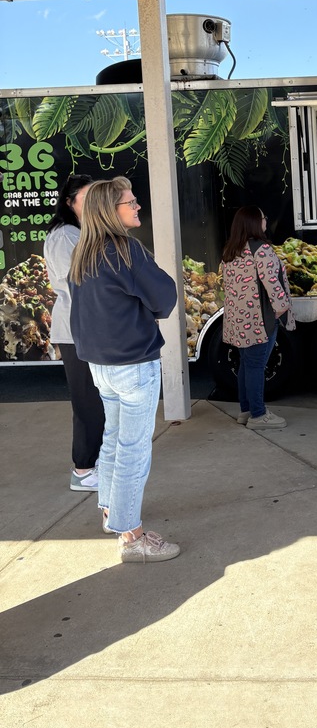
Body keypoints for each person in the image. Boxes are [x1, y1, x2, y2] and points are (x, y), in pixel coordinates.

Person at [69, 177, 180, 563]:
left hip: (101, 365)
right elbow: (165, 297)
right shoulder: (124, 250)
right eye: (130, 203)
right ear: (109, 211)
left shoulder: (85, 251)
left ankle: (112, 514)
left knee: (114, 441)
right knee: (133, 450)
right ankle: (131, 537)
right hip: (132, 364)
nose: (137, 206)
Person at [44, 175, 106, 491]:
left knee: (99, 400)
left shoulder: (80, 232)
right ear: (69, 202)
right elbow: (82, 282)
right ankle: (83, 469)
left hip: (88, 327)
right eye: (86, 196)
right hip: (75, 329)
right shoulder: (65, 236)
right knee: (88, 403)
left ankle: (95, 463)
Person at [221, 206, 295, 430]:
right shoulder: (261, 250)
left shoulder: (231, 251)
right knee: (255, 365)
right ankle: (258, 415)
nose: (265, 221)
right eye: (263, 218)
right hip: (260, 320)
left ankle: (246, 411)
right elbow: (272, 284)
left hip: (238, 320)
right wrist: (282, 310)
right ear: (254, 223)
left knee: (247, 364)